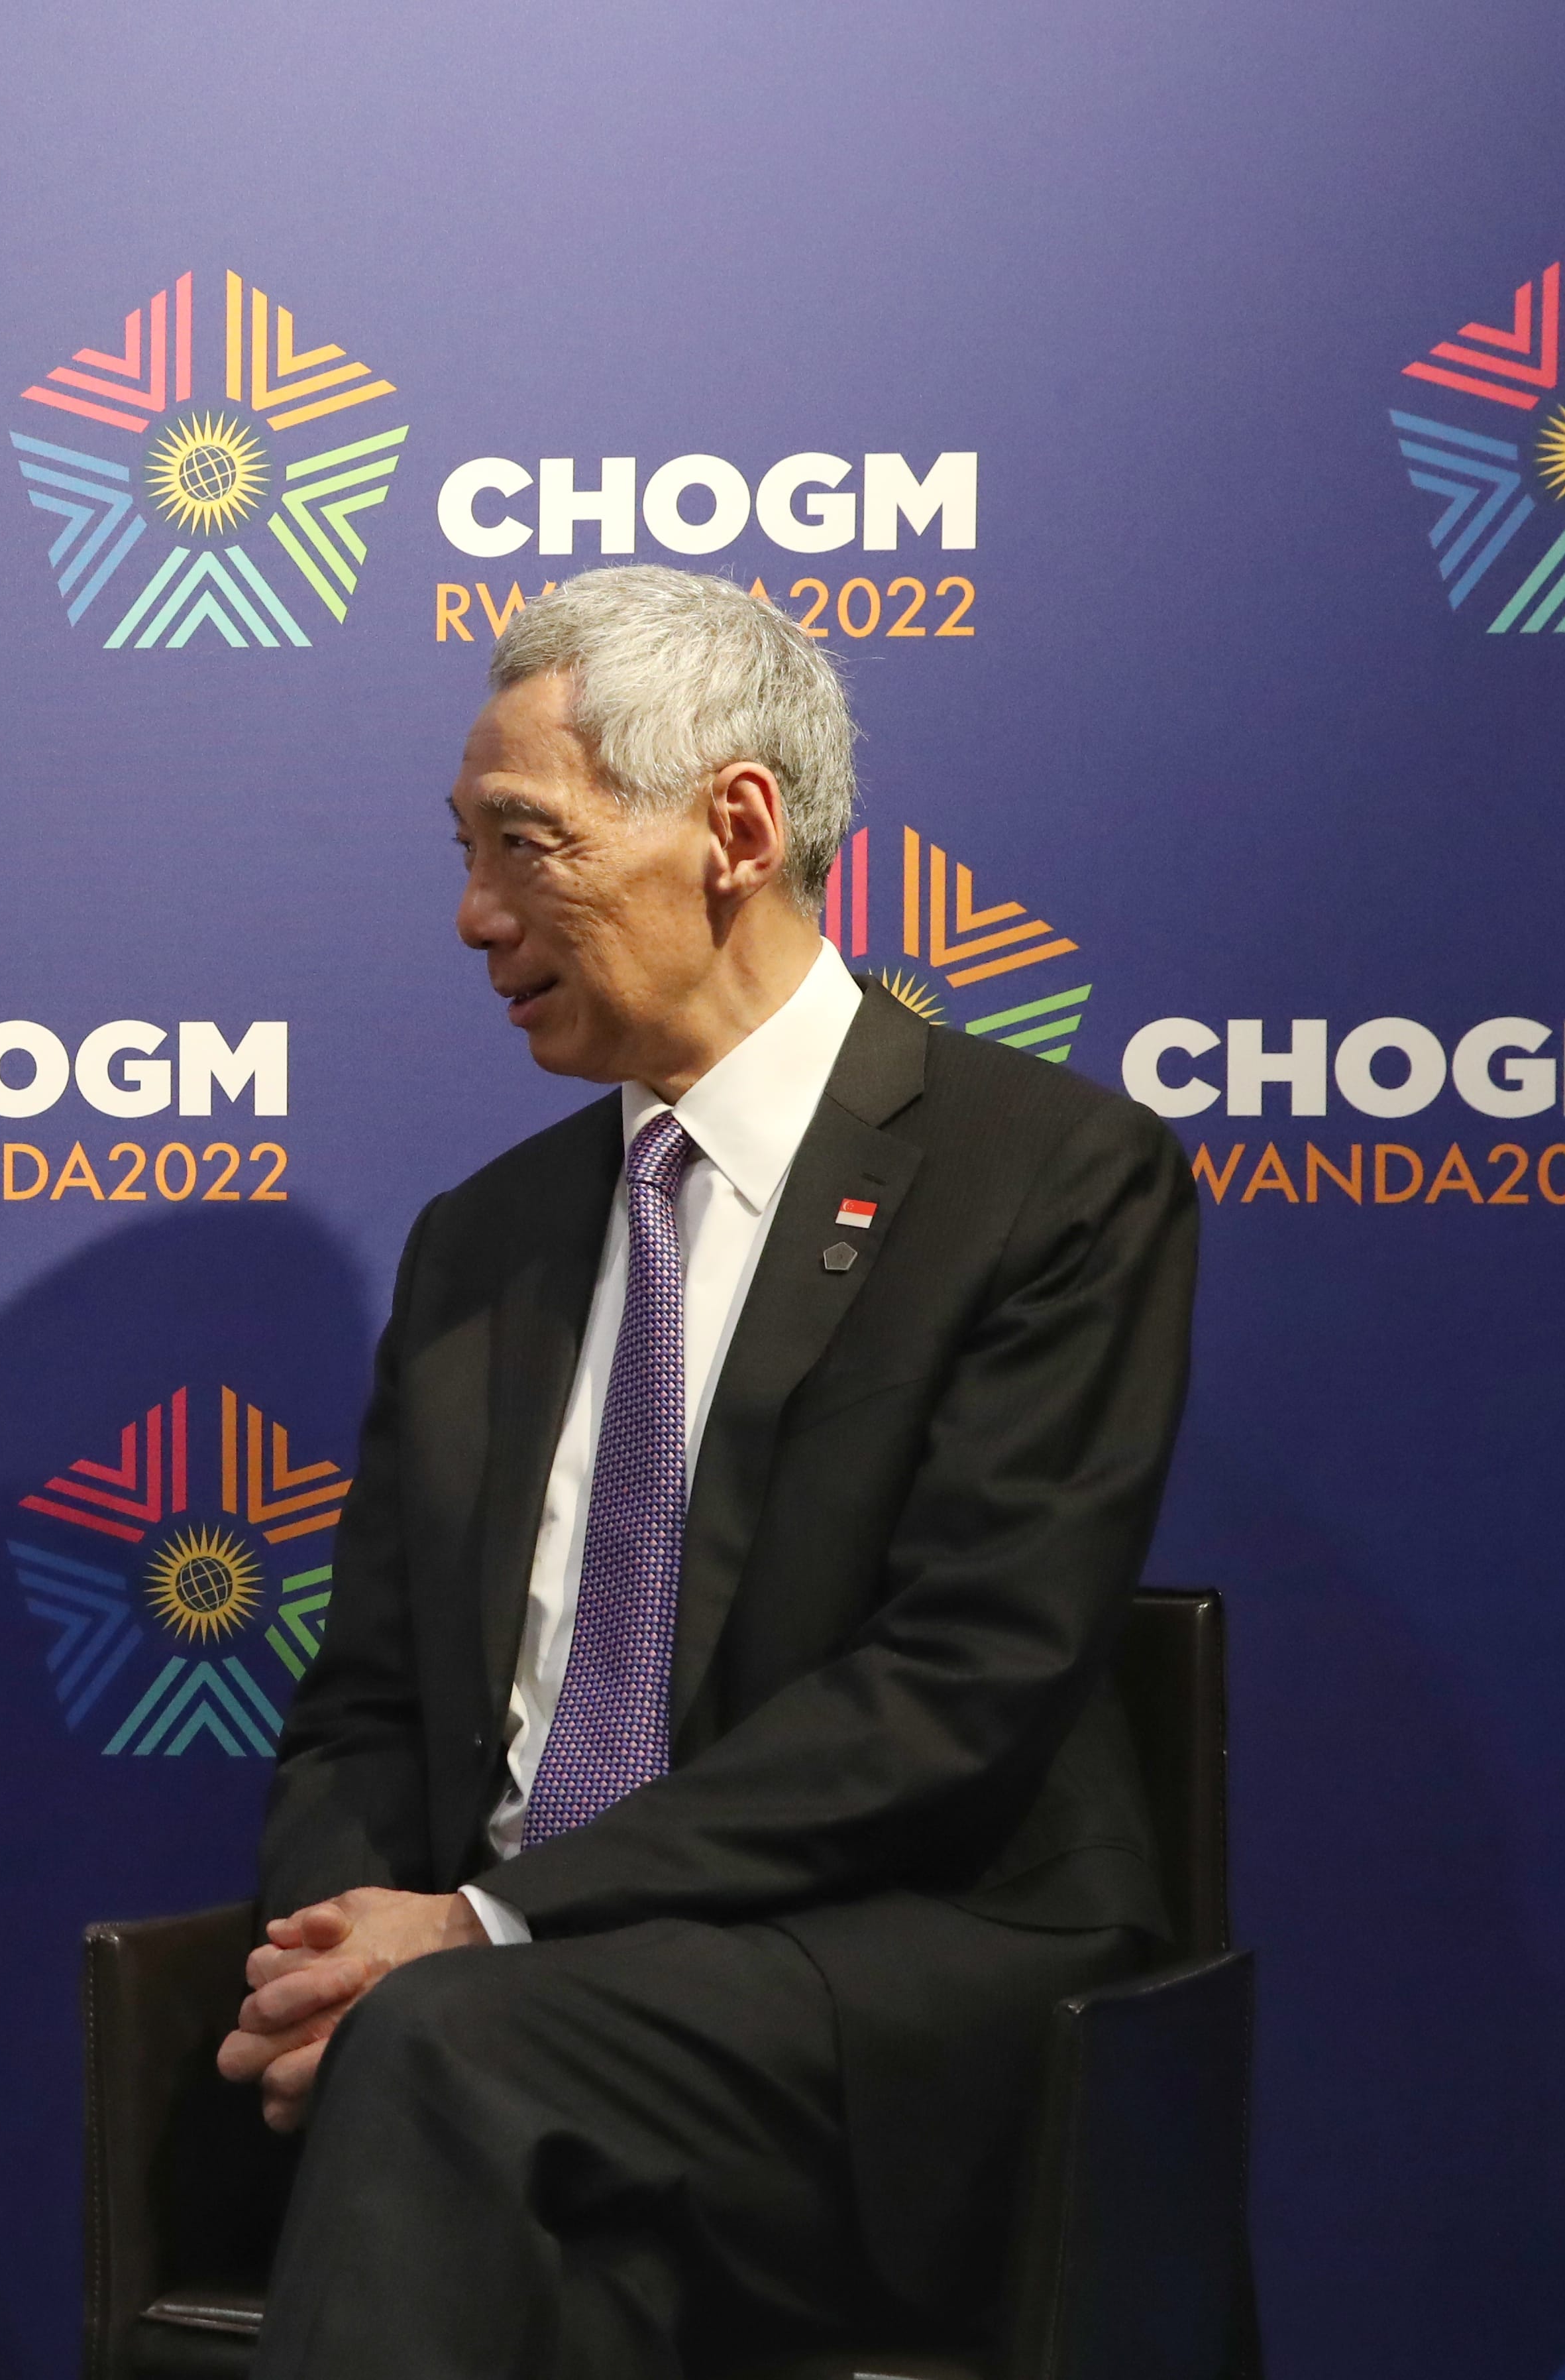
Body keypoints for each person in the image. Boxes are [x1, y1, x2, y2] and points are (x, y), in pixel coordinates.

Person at [219, 569, 1197, 2377]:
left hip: (890, 1974)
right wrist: (334, 1941)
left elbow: (957, 1693)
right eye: (462, 849)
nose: (469, 914)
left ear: (733, 828)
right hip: (517, 2029)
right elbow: (365, 1707)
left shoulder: (1044, 1180)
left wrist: (487, 1927)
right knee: (470, 2115)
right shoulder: (478, 1246)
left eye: (524, 843)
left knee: (455, 2060)